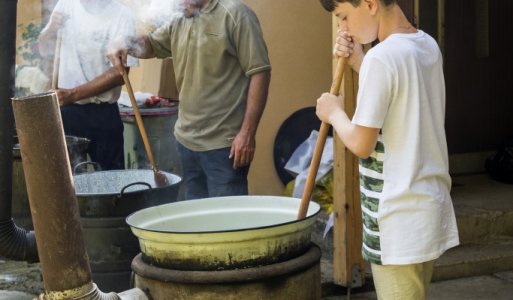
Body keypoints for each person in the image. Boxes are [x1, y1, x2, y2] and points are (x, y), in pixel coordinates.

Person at [316, 0, 459, 299]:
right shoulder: (426, 45)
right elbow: (395, 86)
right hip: (428, 210)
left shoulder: (382, 58)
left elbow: (361, 144)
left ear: (369, 4)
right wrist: (358, 59)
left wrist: (334, 113)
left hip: (397, 221)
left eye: (343, 17)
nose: (343, 28)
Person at [107, 0, 271, 199]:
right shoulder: (180, 18)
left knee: (227, 223)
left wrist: (247, 134)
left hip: (225, 145)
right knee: (192, 224)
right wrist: (125, 42)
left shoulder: (235, 14)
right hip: (186, 143)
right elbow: (150, 45)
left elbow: (259, 73)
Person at [38, 0, 138, 171]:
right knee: (68, 182)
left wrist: (72, 94)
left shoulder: (122, 15)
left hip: (103, 114)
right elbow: (43, 49)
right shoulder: (66, 4)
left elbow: (119, 74)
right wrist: (51, 29)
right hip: (67, 113)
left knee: (111, 181)